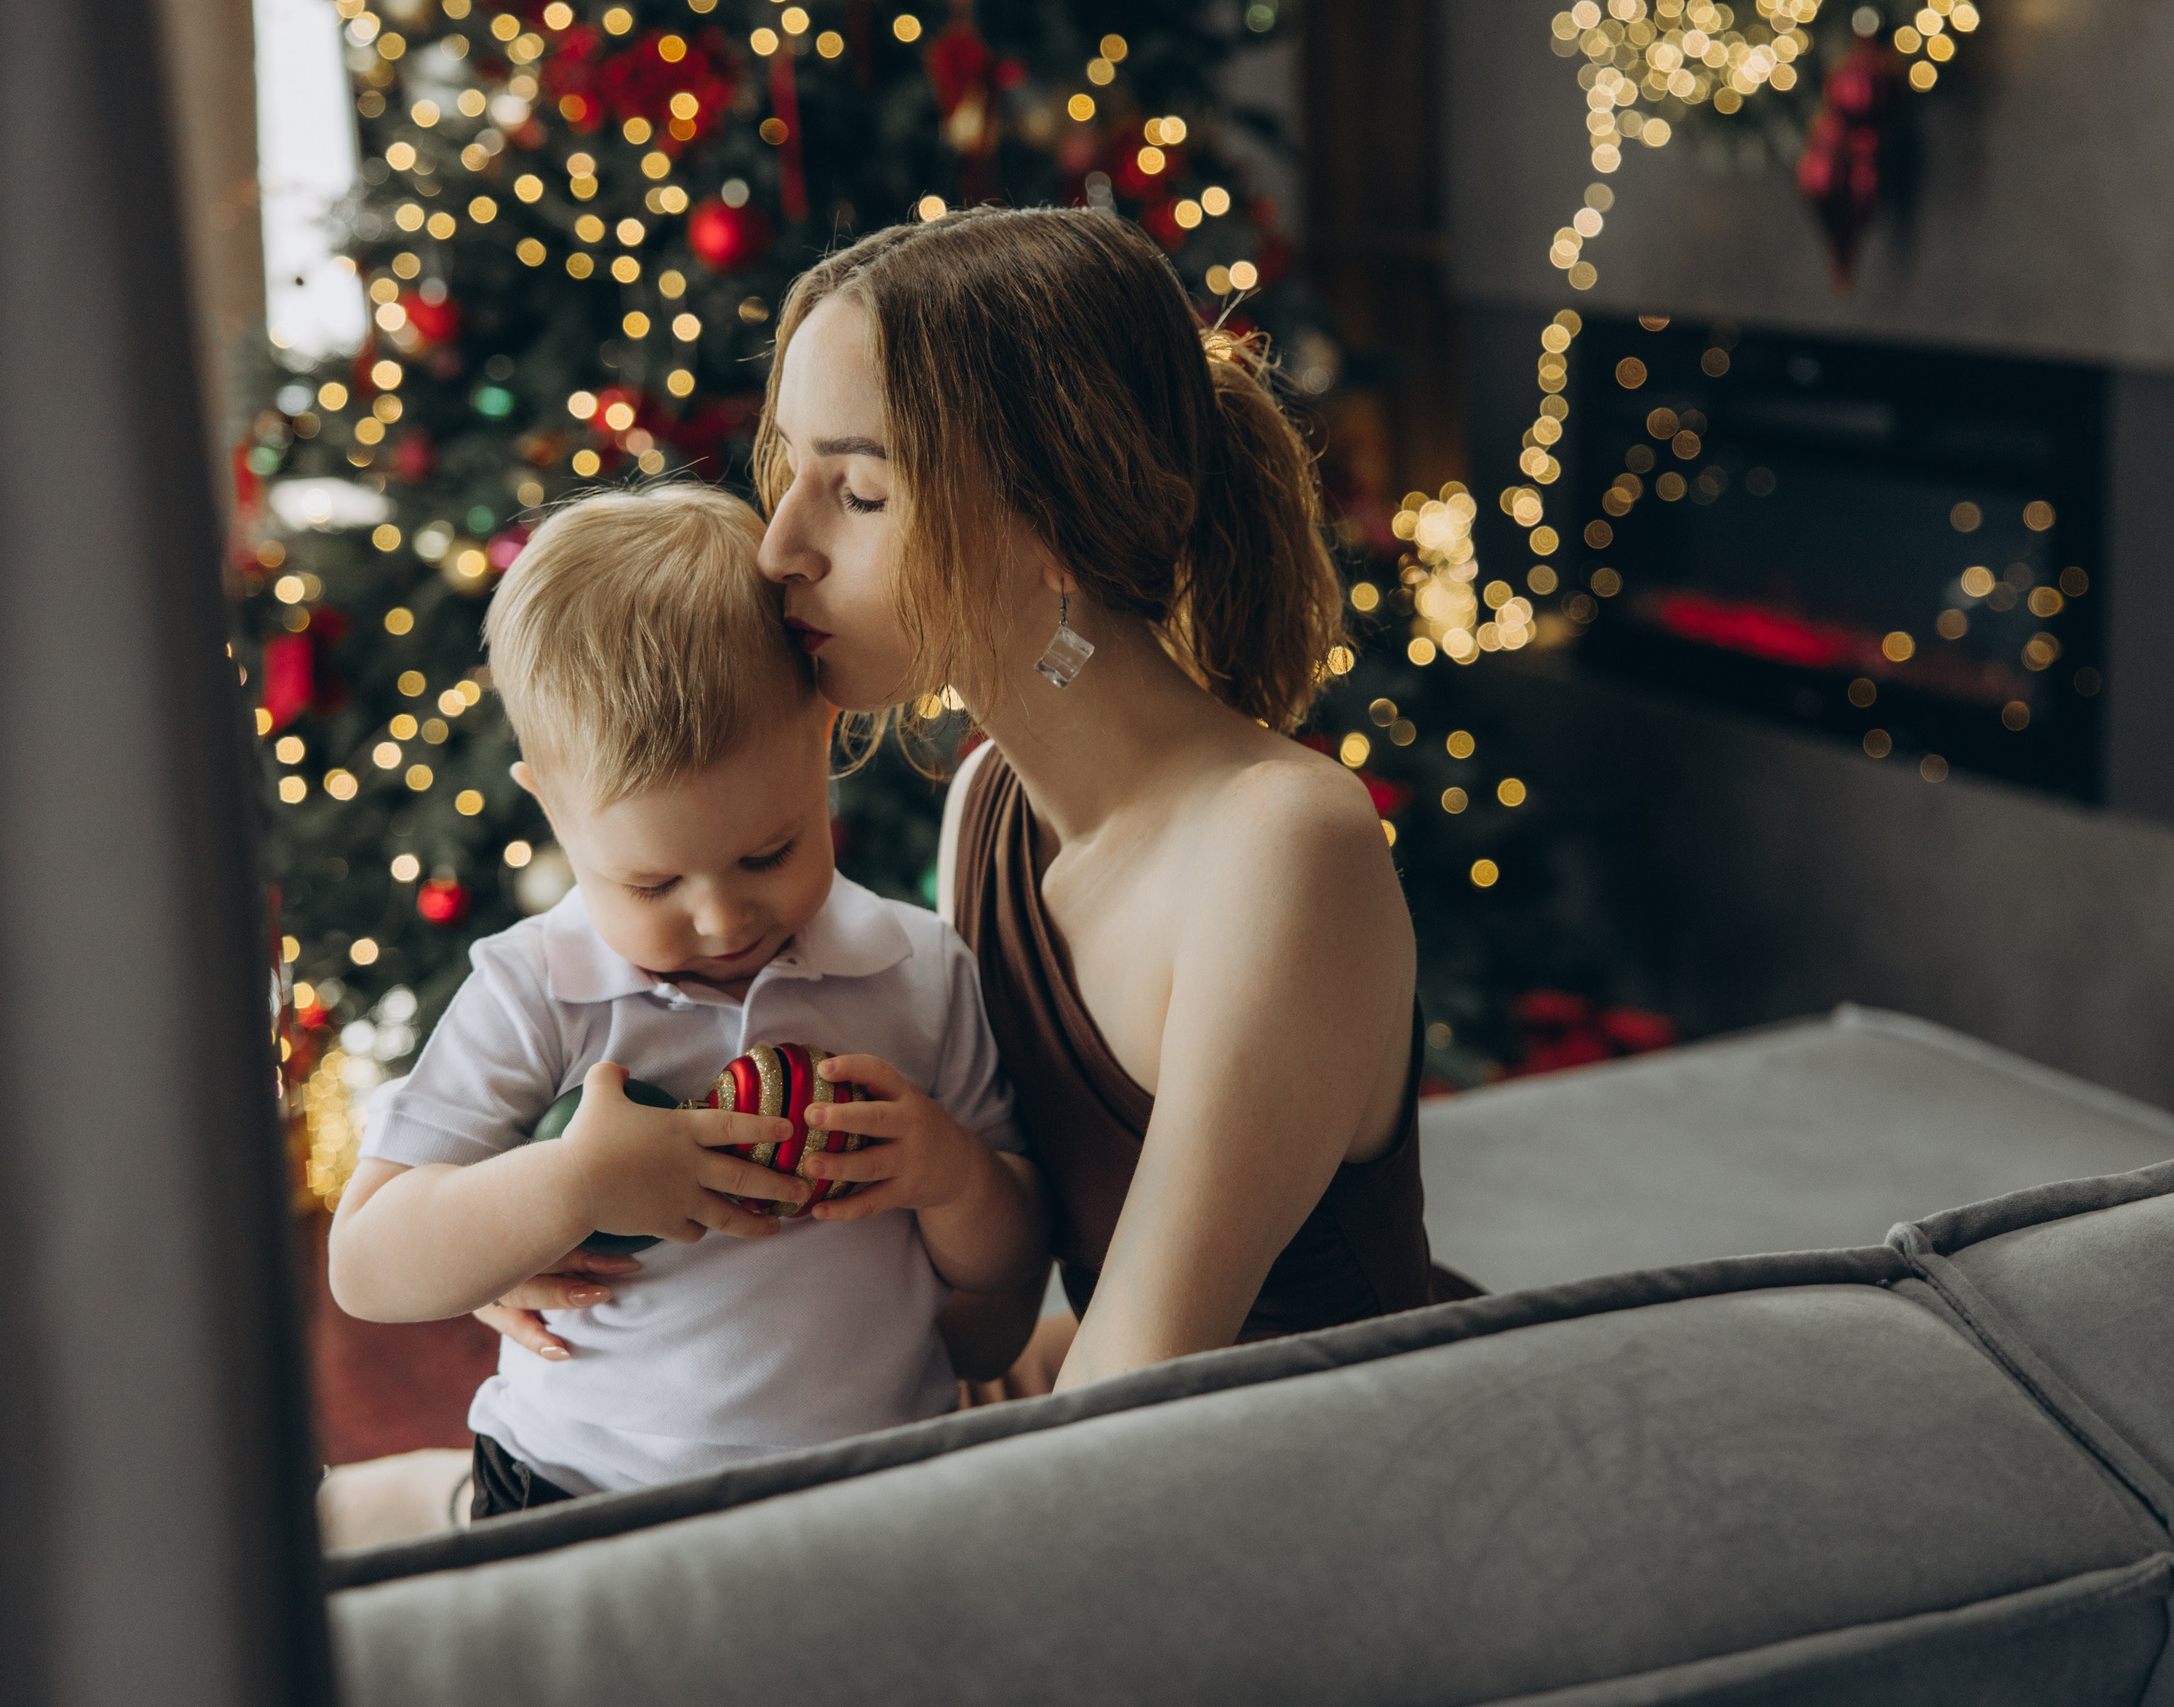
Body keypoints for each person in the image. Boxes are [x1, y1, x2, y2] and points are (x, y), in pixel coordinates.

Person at [485, 208, 1455, 1395]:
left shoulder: (1281, 842)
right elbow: (961, 1301)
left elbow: (1129, 1394)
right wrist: (542, 1222)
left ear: (1057, 518)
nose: (778, 548)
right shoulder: (990, 804)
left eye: (859, 492)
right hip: (1122, 1418)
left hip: (1307, 1455)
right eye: (791, 470)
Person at [329, 485, 1044, 1514]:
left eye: (769, 852)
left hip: (868, 1490)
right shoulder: (538, 988)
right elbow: (366, 1264)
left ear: (823, 738)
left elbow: (1009, 1275)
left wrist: (950, 1172)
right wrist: (568, 1186)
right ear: (553, 810)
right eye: (654, 883)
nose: (720, 919)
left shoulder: (918, 969)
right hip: (574, 1488)